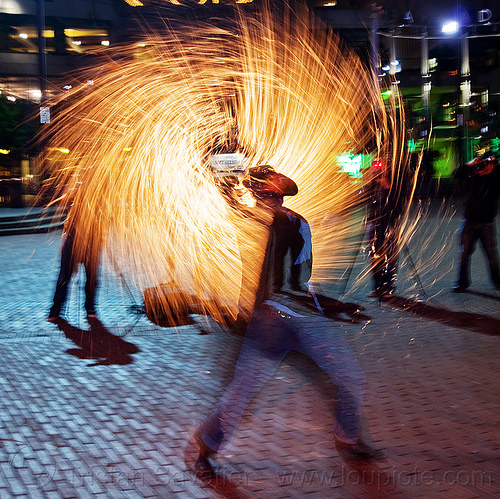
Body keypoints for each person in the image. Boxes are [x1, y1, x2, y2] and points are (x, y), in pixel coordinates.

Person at [194, 166, 375, 480]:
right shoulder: (247, 223)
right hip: (267, 326)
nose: (270, 200)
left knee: (350, 377)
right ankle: (206, 447)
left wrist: (332, 307)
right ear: (254, 193)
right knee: (243, 391)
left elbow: (298, 282)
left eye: (275, 195)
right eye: (264, 194)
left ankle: (348, 437)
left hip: (301, 320)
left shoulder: (298, 224)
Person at [453, 151, 500, 293]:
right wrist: (470, 164)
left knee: (491, 255)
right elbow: (456, 174)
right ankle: (462, 283)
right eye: (486, 163)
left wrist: (490, 173)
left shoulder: (495, 178)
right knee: (464, 254)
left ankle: (497, 282)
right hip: (470, 221)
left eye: (491, 164)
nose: (488, 166)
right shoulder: (473, 175)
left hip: (486, 222)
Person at [47, 211, 101, 321]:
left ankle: (90, 307)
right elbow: (68, 226)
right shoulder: (76, 203)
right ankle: (55, 309)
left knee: (92, 277)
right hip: (72, 243)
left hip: (91, 243)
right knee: (64, 277)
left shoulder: (97, 206)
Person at [366, 157, 402, 299]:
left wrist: (387, 185)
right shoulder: (373, 181)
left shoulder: (395, 180)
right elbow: (363, 198)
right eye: (376, 163)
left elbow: (398, 202)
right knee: (375, 256)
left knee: (390, 256)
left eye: (382, 164)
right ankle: (377, 287)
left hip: (389, 223)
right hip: (374, 222)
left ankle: (388, 287)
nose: (379, 167)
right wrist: (369, 181)